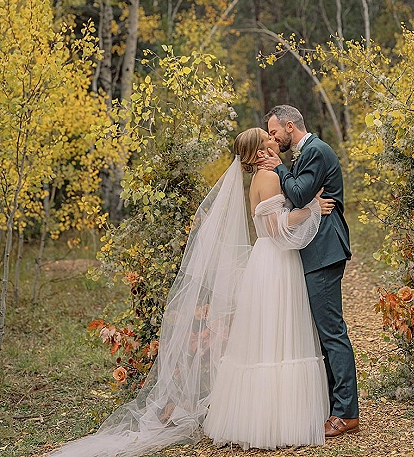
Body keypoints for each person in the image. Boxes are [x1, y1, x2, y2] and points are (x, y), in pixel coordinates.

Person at [48, 128, 333, 457]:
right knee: (274, 336)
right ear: (258, 151)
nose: (274, 141)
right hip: (274, 262)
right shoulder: (267, 179)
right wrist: (312, 208)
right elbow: (273, 228)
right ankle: (275, 422)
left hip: (271, 261)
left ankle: (270, 417)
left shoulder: (264, 176)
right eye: (267, 139)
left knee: (269, 336)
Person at [257, 104, 359, 439]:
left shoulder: (316, 150)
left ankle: (346, 413)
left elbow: (299, 195)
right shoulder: (304, 154)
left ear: (289, 126)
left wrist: (279, 168)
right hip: (313, 250)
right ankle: (332, 405)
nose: (273, 140)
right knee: (321, 333)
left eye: (274, 133)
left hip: (325, 251)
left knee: (331, 332)